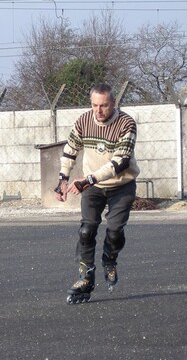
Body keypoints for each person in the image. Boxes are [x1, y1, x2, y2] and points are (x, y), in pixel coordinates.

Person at [54, 83, 140, 304]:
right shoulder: (84, 120)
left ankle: (110, 259)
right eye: (94, 105)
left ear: (113, 103)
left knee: (114, 230)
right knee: (86, 229)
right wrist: (63, 178)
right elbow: (70, 149)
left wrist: (88, 179)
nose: (99, 111)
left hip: (121, 185)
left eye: (104, 106)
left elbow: (120, 162)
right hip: (93, 187)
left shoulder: (126, 123)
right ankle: (86, 276)